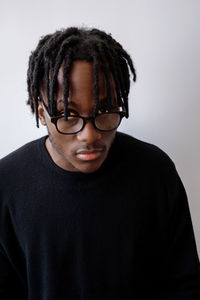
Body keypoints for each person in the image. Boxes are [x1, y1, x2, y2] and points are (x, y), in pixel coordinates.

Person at [0, 27, 200, 300]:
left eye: (105, 111)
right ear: (41, 112)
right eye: (68, 114)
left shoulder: (155, 173)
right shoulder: (7, 184)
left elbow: (184, 285)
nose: (91, 135)